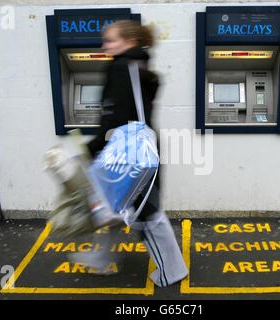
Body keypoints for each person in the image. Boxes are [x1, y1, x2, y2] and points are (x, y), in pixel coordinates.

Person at [69, 20, 188, 287]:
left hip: (127, 154)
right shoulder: (140, 67)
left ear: (129, 42)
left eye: (110, 40)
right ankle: (101, 259)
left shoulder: (121, 68)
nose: (104, 45)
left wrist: (90, 148)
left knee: (148, 214)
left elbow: (114, 118)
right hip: (140, 148)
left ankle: (172, 270)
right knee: (110, 205)